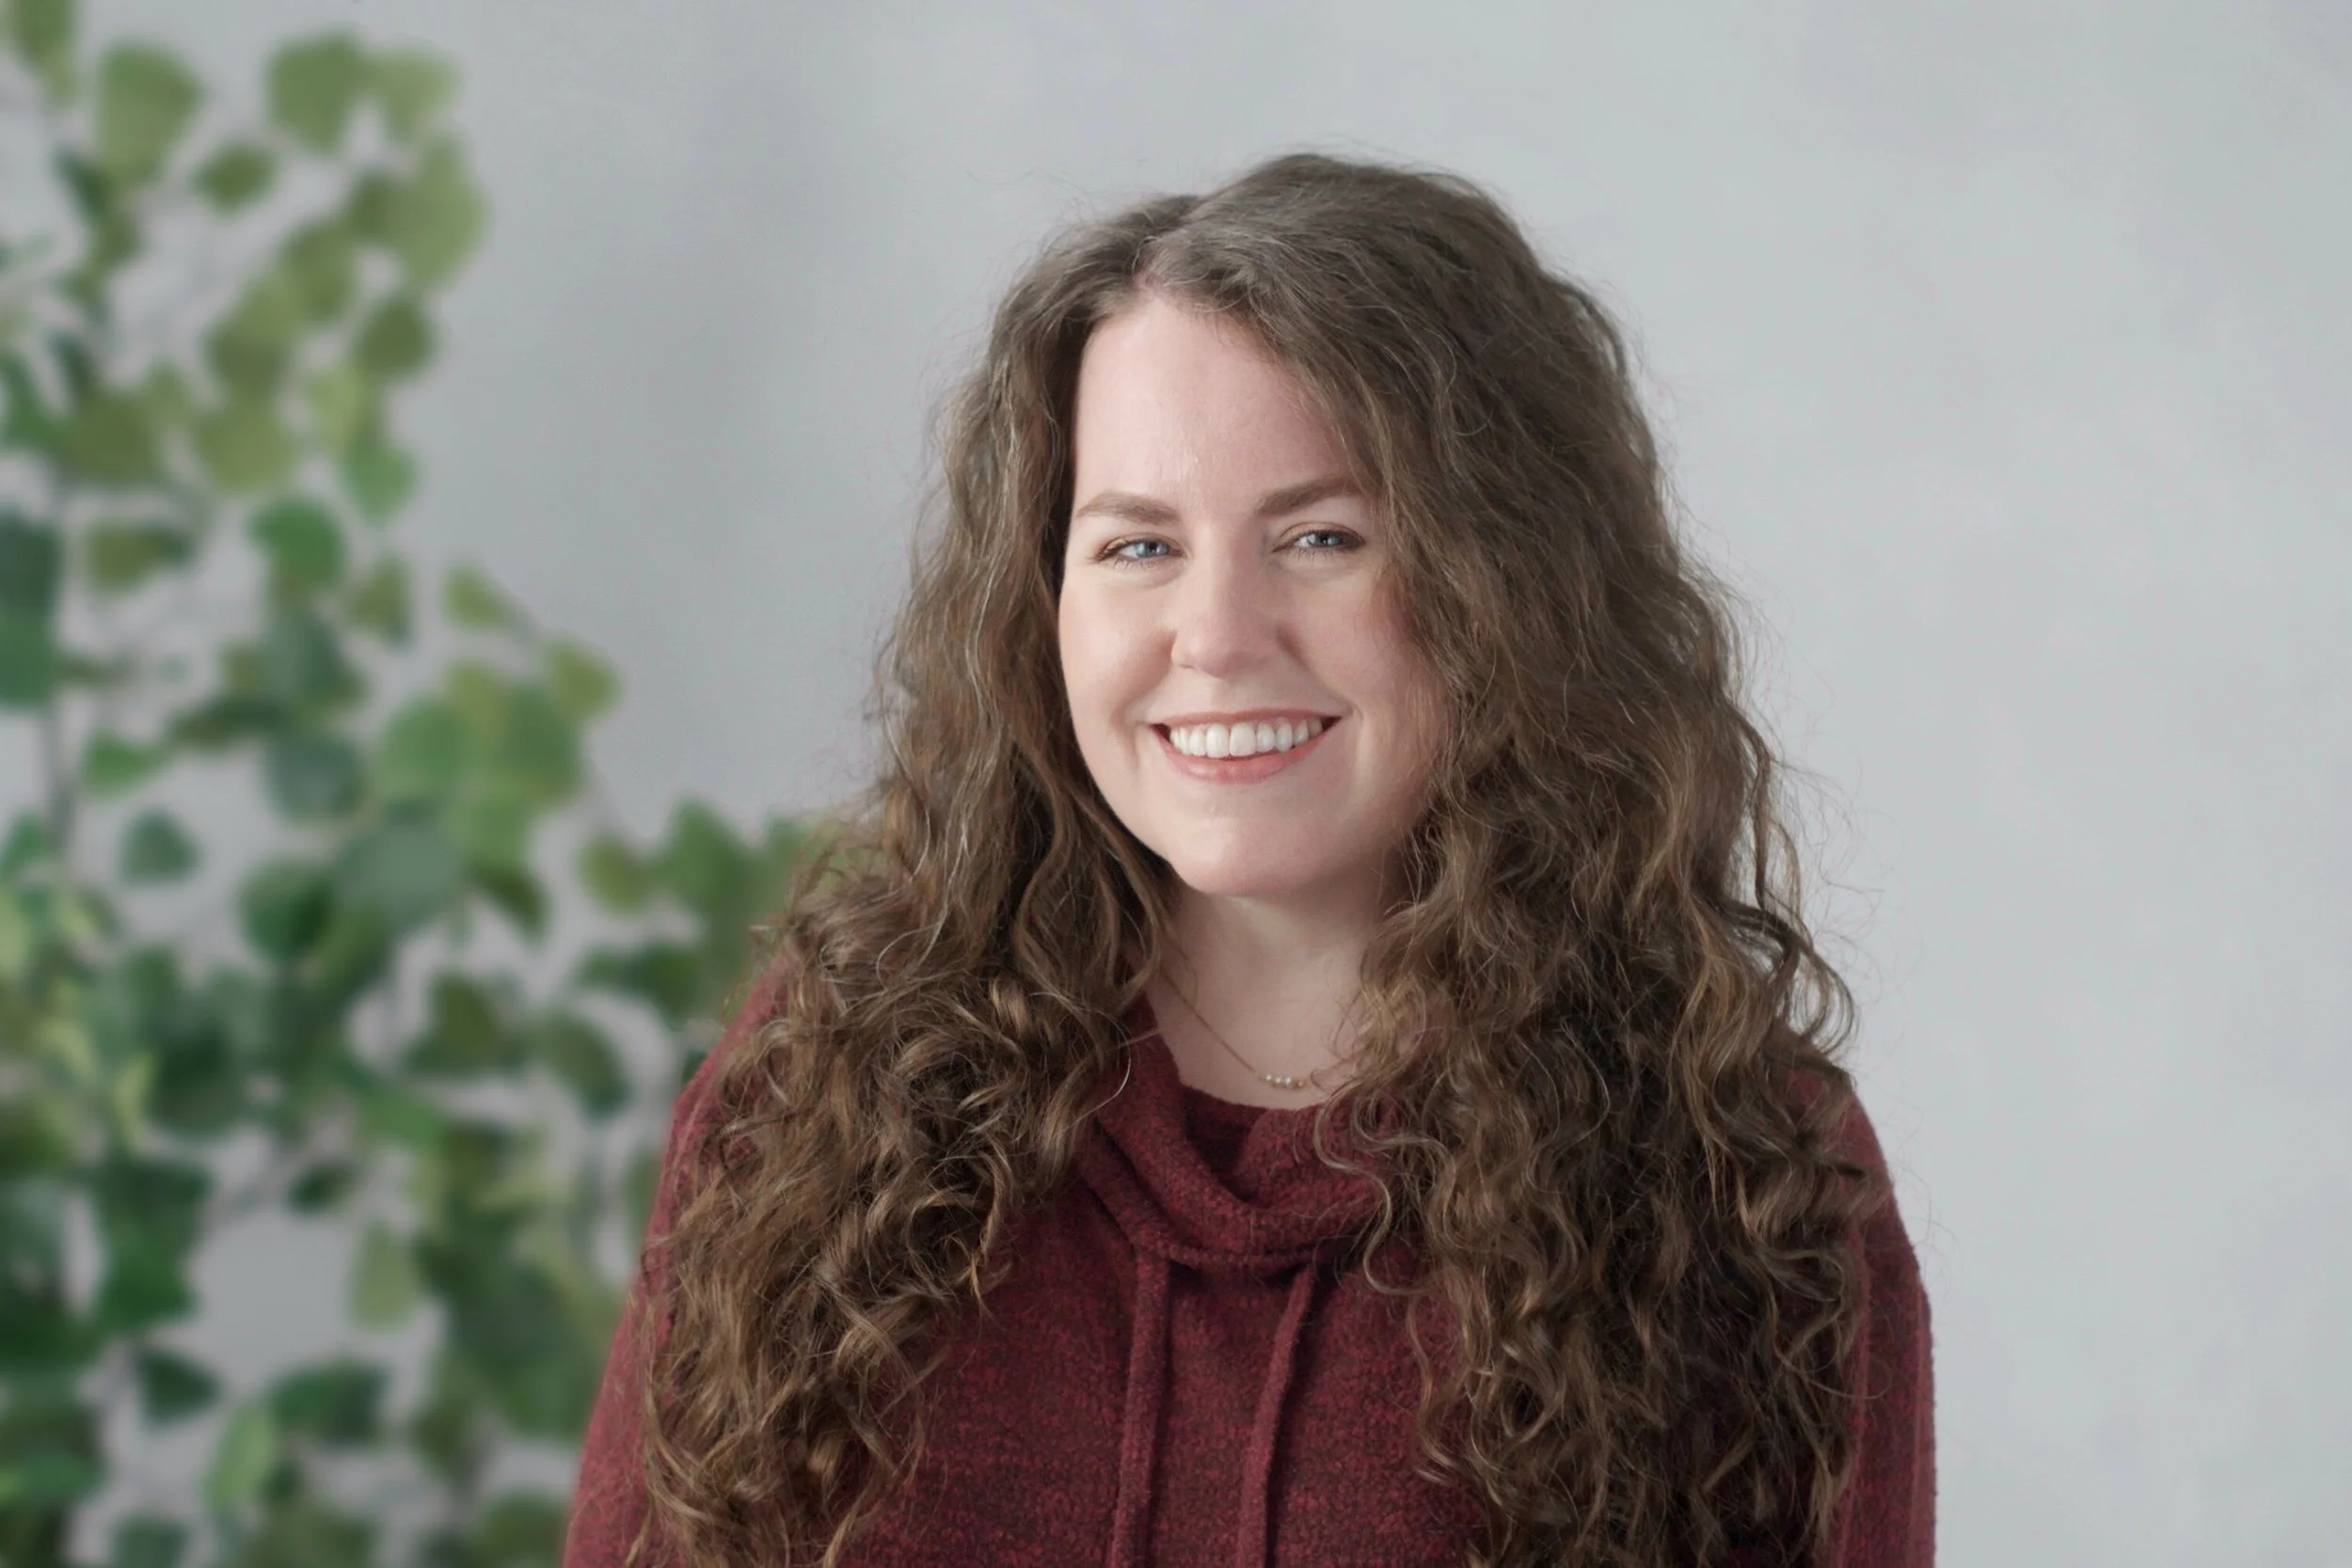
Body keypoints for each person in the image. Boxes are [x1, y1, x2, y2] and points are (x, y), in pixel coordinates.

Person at [564, 152, 1933, 1568]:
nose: (1215, 634)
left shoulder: (1742, 1178)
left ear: (1511, 583)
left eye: (1321, 536)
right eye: (1139, 545)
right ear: (1045, 599)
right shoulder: (818, 1094)